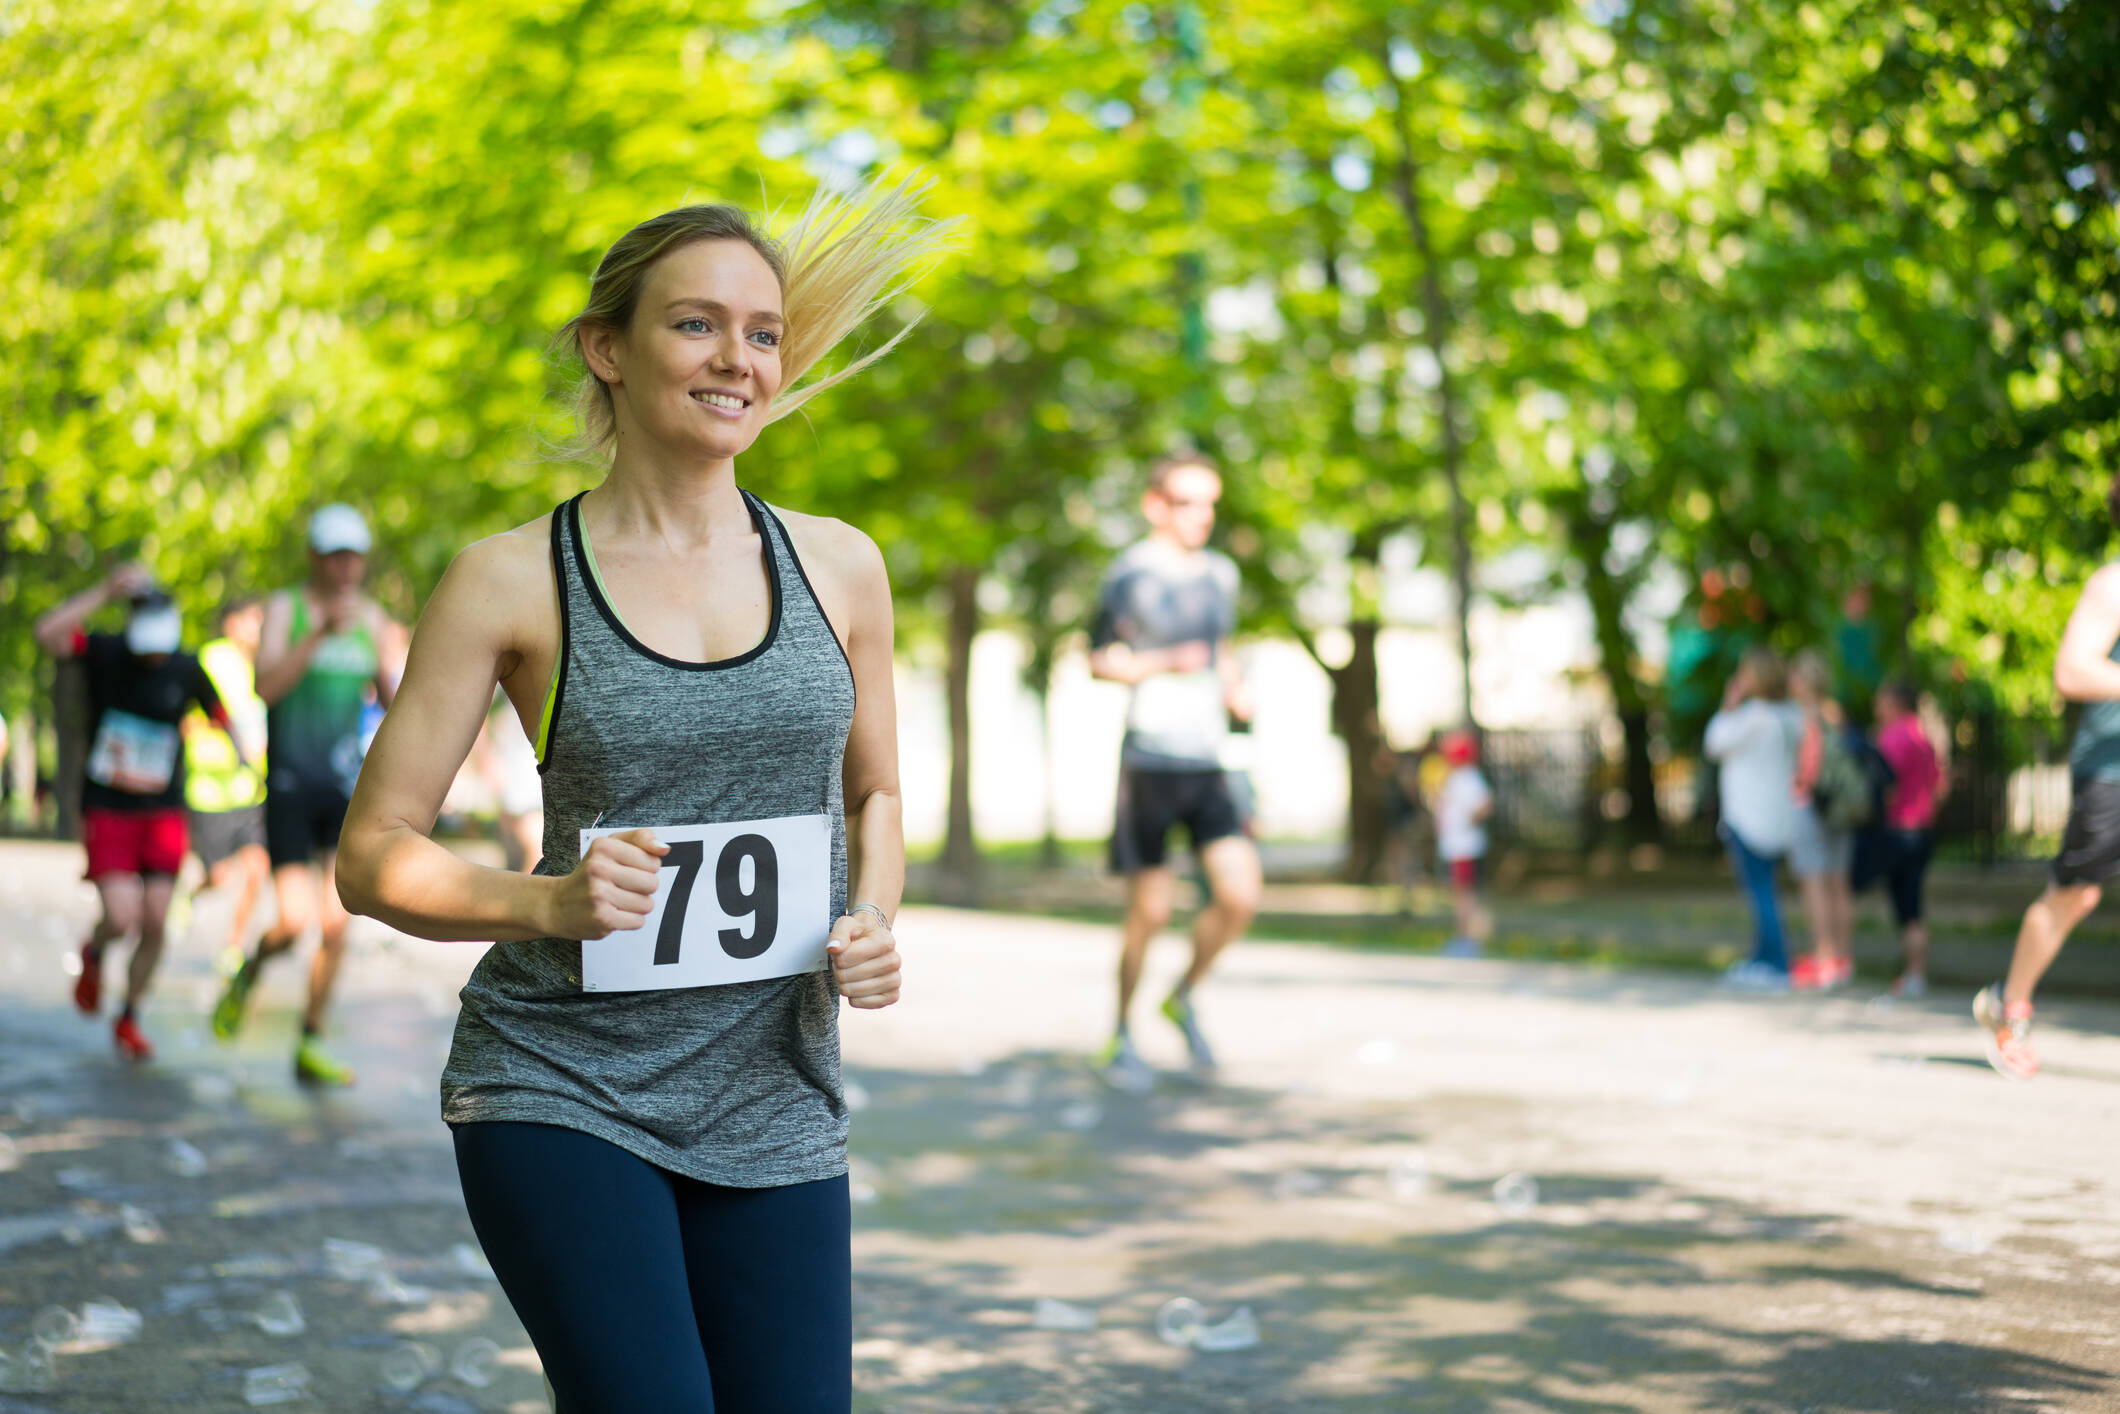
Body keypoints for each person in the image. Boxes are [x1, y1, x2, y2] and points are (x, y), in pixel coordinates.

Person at [334, 185, 938, 1411]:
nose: (736, 359)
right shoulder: (509, 580)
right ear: (607, 348)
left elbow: (874, 791)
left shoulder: (839, 564)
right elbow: (372, 852)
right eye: (695, 324)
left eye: (762, 333)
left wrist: (873, 914)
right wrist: (548, 903)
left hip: (776, 1092)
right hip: (562, 1085)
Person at [210, 504, 405, 1086]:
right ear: (315, 558)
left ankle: (311, 1039)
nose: (347, 568)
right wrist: (318, 635)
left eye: (355, 557)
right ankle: (250, 970)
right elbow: (264, 689)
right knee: (294, 923)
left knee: (339, 924)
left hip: (345, 792)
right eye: (336, 556)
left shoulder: (372, 618)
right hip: (290, 785)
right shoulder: (284, 609)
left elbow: (397, 704)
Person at [1088, 453, 1262, 1091]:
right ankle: (1121, 1031)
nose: (1203, 516)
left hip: (1210, 760)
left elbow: (1222, 650)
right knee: (1152, 911)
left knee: (1240, 895)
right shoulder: (1129, 574)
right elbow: (1098, 660)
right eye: (1188, 503)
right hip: (1151, 759)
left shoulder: (1221, 574)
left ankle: (1182, 995)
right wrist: (1163, 662)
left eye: (1210, 503)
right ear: (1155, 505)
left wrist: (1234, 687)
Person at [33, 566, 239, 1061]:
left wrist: (242, 754)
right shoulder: (105, 652)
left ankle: (129, 1015)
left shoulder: (186, 667)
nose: (155, 658)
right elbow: (48, 633)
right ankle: (96, 949)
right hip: (109, 809)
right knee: (122, 916)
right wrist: (104, 591)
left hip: (162, 813)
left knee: (156, 921)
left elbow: (223, 716)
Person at [1975, 531, 2120, 1078]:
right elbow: (2072, 669)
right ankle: (2009, 1005)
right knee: (2076, 894)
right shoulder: (2113, 584)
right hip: (2112, 769)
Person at [1704, 647, 1801, 991]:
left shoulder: (1753, 717)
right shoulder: (1789, 716)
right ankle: (1761, 958)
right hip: (1777, 818)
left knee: (1760, 893)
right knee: (1765, 890)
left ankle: (1775, 963)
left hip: (1748, 819)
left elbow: (1714, 742)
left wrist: (1729, 705)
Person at [184, 598, 272, 974]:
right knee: (219, 876)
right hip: (211, 791)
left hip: (252, 791)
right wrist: (225, 742)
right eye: (253, 619)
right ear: (232, 623)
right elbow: (187, 721)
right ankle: (191, 893)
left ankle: (233, 947)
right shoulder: (210, 660)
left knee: (257, 871)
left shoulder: (268, 664)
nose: (260, 627)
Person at [1786, 651, 1855, 991]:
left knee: (1814, 883)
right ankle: (1843, 959)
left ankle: (1823, 958)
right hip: (1841, 809)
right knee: (1839, 883)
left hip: (1811, 806)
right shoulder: (1835, 714)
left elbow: (1804, 769)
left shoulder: (1801, 718)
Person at [1869, 679, 1942, 999]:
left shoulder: (1894, 736)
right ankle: (1914, 972)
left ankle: (1914, 972)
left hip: (1899, 828)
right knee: (1913, 904)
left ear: (1895, 703)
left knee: (1906, 907)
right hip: (1923, 828)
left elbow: (1885, 783)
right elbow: (1938, 784)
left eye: (1881, 700)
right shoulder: (1923, 735)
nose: (1877, 706)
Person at [1433, 729, 1492, 955]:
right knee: (1462, 894)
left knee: (1465, 895)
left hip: (1464, 847)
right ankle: (1465, 937)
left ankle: (1467, 939)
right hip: (1457, 847)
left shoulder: (1467, 777)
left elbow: (1485, 804)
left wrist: (1467, 823)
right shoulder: (1459, 777)